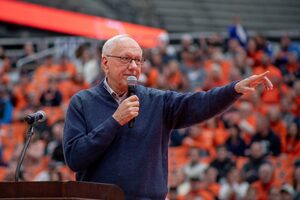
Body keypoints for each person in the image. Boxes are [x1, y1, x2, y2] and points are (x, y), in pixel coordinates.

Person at [63, 34, 273, 199]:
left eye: (138, 60)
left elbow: (200, 104)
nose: (134, 67)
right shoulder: (82, 102)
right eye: (126, 59)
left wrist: (233, 89)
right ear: (105, 63)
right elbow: (75, 158)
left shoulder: (157, 101)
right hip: (98, 199)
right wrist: (114, 121)